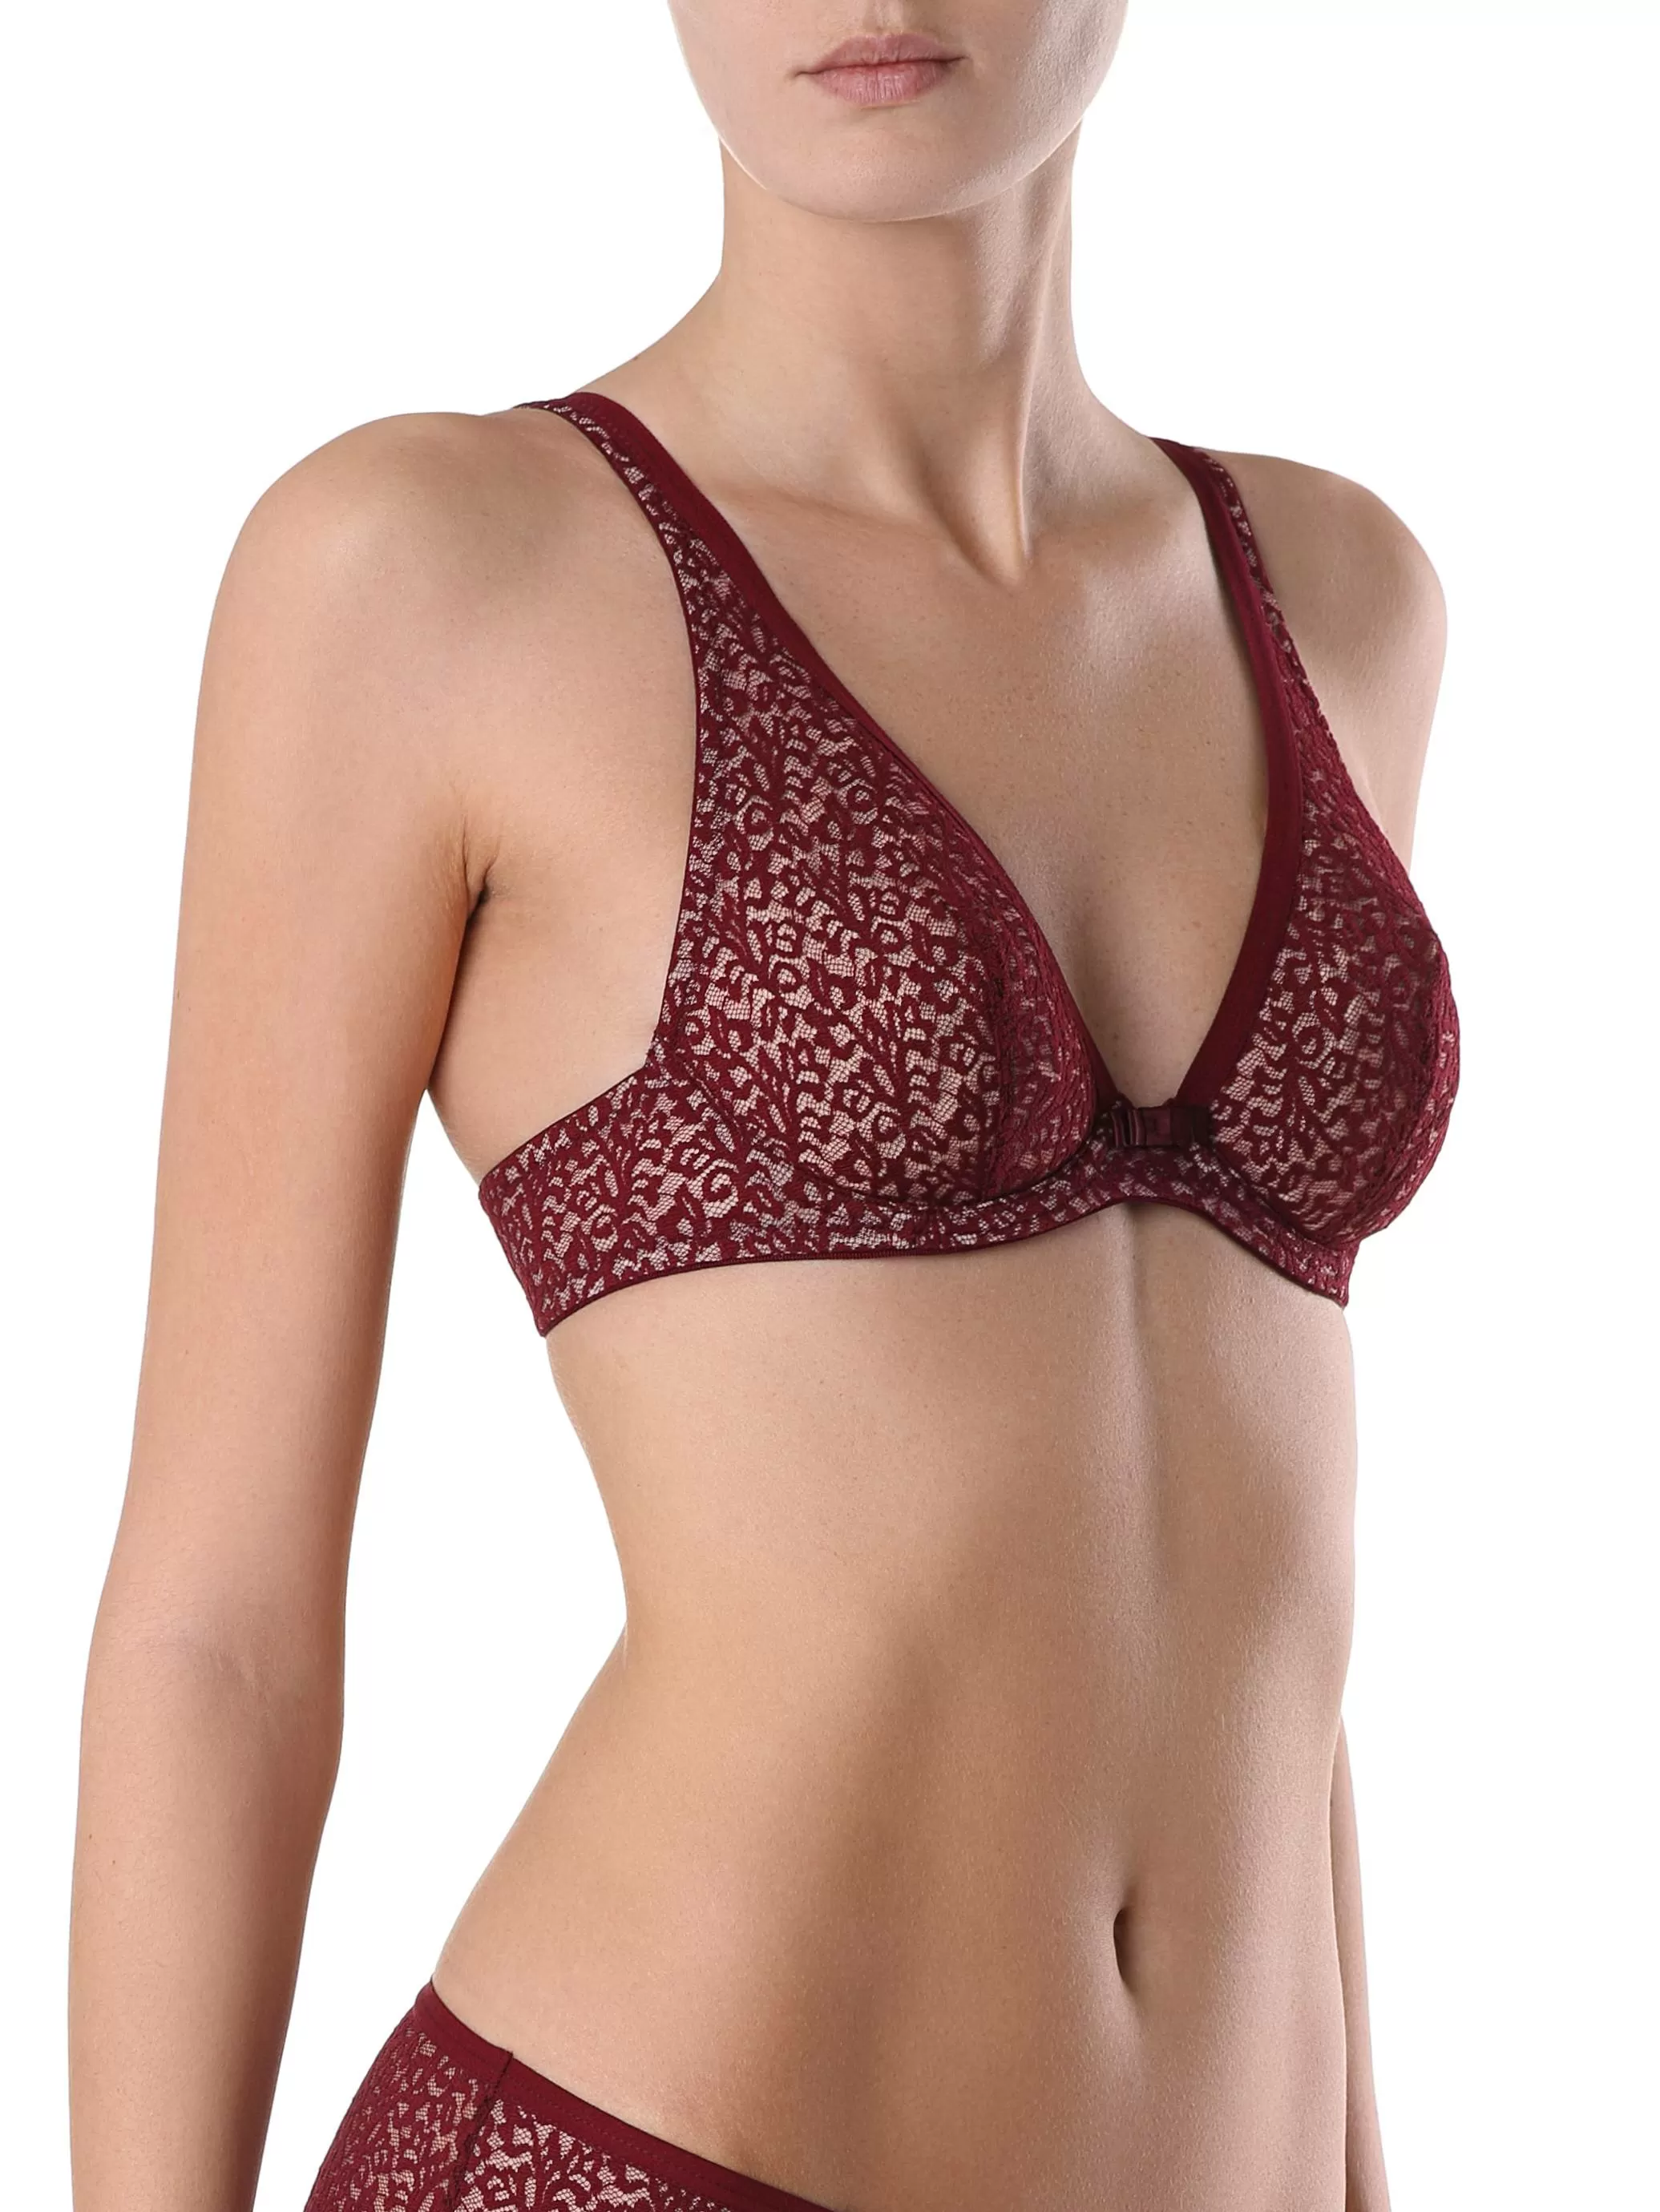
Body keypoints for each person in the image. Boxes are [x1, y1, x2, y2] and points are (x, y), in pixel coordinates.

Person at [67, 6, 1460, 2210]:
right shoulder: (431, 567)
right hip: (648, 2156)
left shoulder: (1338, 591)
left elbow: (1246, 1569)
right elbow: (217, 1623)